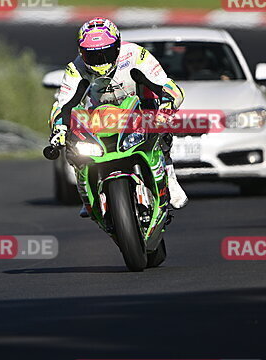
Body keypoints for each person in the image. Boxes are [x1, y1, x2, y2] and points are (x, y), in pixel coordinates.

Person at [48, 18, 188, 214]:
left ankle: (169, 176)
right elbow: (63, 104)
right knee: (72, 145)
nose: (101, 61)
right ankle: (88, 194)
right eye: (93, 56)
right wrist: (59, 130)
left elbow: (167, 85)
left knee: (162, 128)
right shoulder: (75, 68)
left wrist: (167, 105)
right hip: (98, 117)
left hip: (138, 106)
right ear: (82, 53)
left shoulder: (135, 55)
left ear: (118, 45)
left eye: (106, 53)